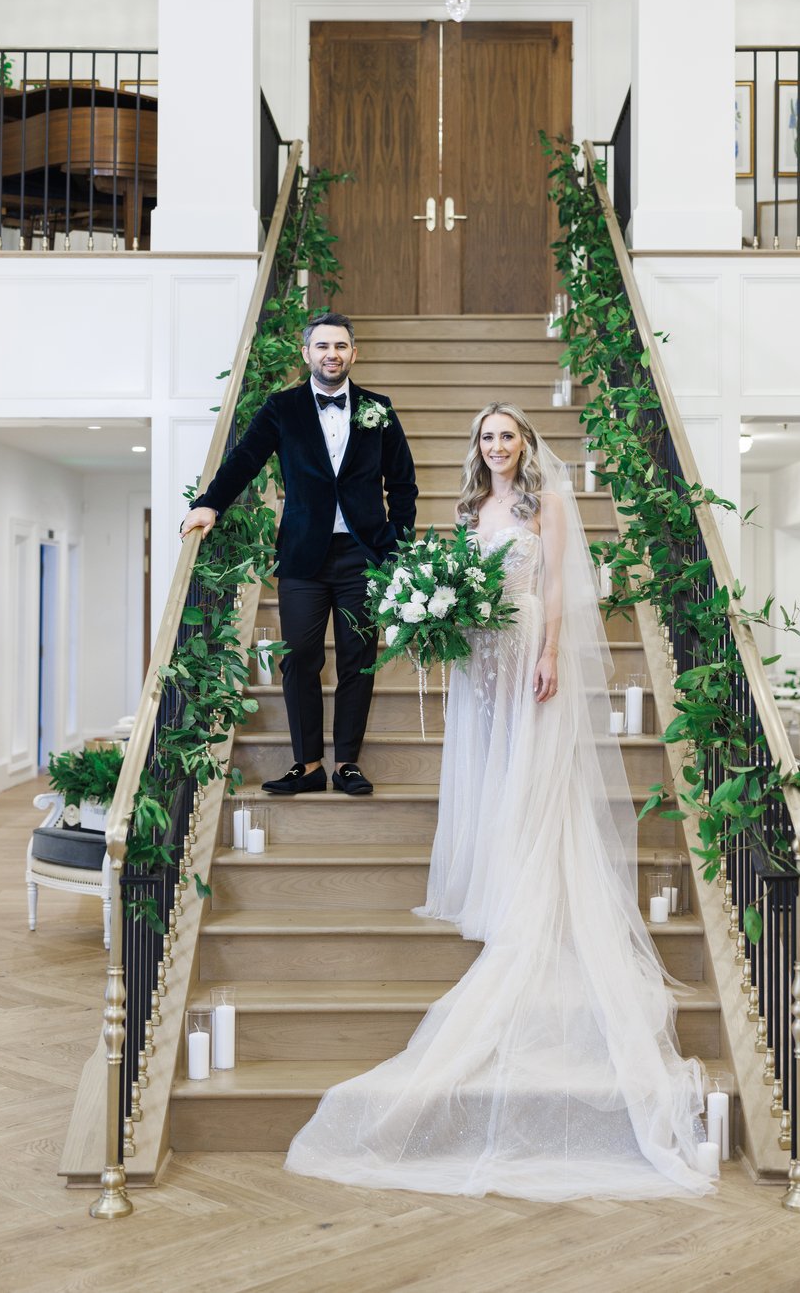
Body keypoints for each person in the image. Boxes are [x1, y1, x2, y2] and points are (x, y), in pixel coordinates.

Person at [284, 403, 714, 1200]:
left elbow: (552, 585)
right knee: (486, 761)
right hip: (479, 653)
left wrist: (549, 651)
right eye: (486, 436)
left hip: (526, 646)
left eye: (507, 434)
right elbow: (462, 580)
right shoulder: (471, 506)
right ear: (477, 448)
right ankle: (492, 869)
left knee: (529, 761)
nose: (497, 445)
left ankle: (529, 878)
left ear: (527, 443)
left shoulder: (543, 502)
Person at [180, 311, 417, 796]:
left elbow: (403, 483)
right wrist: (208, 505)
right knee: (300, 658)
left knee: (358, 657)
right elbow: (245, 459)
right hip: (304, 557)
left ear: (355, 353)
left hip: (364, 555)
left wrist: (397, 544)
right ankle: (308, 765)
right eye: (323, 346)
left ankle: (347, 762)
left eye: (341, 346)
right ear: (306, 353)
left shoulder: (380, 408)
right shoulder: (281, 408)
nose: (333, 354)